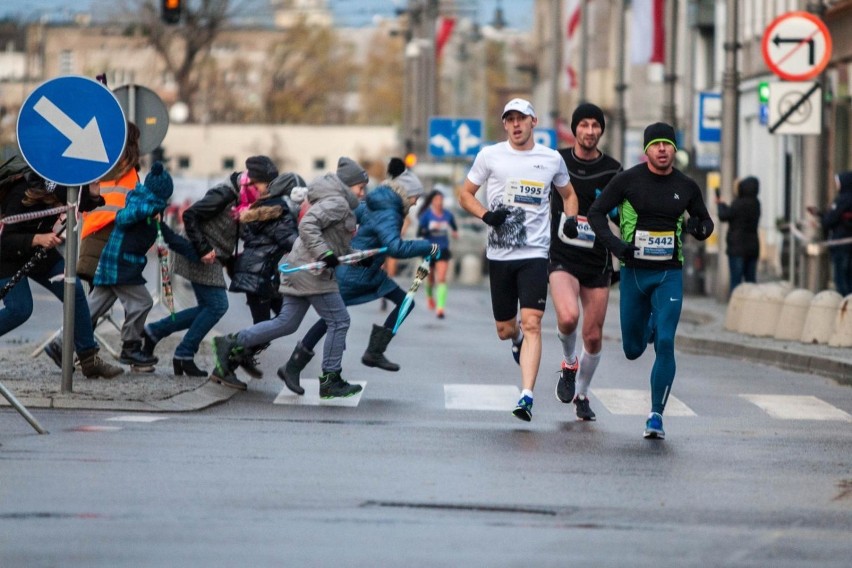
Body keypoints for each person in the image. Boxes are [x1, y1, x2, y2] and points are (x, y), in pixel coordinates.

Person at [588, 122, 714, 440]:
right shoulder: (628, 180)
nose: (662, 149)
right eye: (656, 144)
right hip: (634, 272)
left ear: (674, 150)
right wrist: (617, 247)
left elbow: (705, 221)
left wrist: (698, 229)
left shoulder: (686, 186)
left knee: (667, 342)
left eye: (667, 144)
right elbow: (595, 214)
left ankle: (656, 415)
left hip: (669, 272)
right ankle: (648, 329)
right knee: (632, 349)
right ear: (647, 150)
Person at [458, 98, 579, 422]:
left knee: (533, 322)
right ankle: (516, 341)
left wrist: (570, 218)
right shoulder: (490, 156)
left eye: (521, 119)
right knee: (505, 328)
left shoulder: (551, 159)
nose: (515, 125)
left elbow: (569, 195)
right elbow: (464, 194)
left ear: (533, 122)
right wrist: (486, 215)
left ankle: (526, 395)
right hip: (499, 255)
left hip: (535, 255)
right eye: (509, 119)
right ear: (505, 124)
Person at [211, 157, 368, 397]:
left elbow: (334, 243)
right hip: (311, 272)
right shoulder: (337, 203)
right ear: (349, 185)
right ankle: (330, 378)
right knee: (339, 321)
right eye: (361, 187)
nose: (363, 192)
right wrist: (324, 253)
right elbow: (308, 227)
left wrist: (356, 256)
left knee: (286, 323)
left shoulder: (335, 201)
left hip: (301, 268)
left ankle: (231, 342)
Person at [278, 158, 437, 388]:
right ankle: (294, 366)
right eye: (415, 197)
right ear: (405, 193)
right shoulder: (389, 211)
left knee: (405, 303)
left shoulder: (378, 203)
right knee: (331, 320)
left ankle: (375, 351)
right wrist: (427, 246)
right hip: (355, 272)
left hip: (370, 269)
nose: (415, 202)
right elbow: (395, 247)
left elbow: (353, 217)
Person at [142, 156, 279, 377]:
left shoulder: (245, 199)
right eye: (266, 185)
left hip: (211, 256)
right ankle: (184, 353)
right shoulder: (225, 193)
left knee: (207, 308)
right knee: (216, 306)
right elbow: (190, 215)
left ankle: (154, 332)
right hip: (197, 252)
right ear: (253, 180)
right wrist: (204, 248)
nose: (268, 190)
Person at [0, 170, 123, 379]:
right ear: (50, 195)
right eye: (59, 205)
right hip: (7, 257)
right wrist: (37, 239)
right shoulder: (21, 193)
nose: (62, 212)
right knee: (20, 309)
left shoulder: (60, 189)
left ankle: (88, 358)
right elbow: (5, 240)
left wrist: (93, 194)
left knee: (73, 289)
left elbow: (77, 204)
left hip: (40, 253)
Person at [550, 102, 623, 421]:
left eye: (596, 126)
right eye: (584, 125)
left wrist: (626, 249)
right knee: (567, 318)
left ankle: (581, 394)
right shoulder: (557, 160)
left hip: (597, 258)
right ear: (575, 128)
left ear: (601, 131)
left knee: (592, 336)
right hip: (562, 254)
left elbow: (623, 214)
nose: (590, 131)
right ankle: (568, 363)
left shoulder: (613, 169)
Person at [808, 171, 852, 296]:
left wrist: (821, 220)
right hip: (847, 244)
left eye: (838, 182)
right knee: (849, 279)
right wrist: (820, 214)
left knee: (841, 280)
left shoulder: (842, 200)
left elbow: (831, 219)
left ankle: (846, 307)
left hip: (841, 244)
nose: (836, 185)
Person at [417, 186, 458, 319]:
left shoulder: (447, 215)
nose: (439, 202)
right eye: (437, 199)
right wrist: (430, 229)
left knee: (441, 278)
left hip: (443, 249)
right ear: (432, 201)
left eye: (441, 199)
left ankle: (440, 308)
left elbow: (454, 227)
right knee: (430, 278)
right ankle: (429, 296)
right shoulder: (426, 215)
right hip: (429, 249)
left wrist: (454, 232)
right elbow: (419, 233)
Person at [717, 176, 761, 295]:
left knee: (736, 282)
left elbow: (723, 216)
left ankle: (736, 308)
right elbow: (734, 214)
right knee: (751, 281)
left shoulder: (738, 203)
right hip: (753, 248)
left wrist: (720, 204)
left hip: (737, 248)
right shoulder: (756, 204)